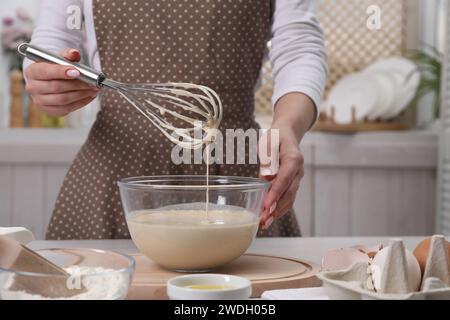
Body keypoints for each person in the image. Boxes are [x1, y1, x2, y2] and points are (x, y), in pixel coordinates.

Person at [24, 0, 327, 239]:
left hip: (236, 163)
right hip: (115, 174)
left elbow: (298, 45)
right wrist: (49, 79)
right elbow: (55, 39)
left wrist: (286, 125)